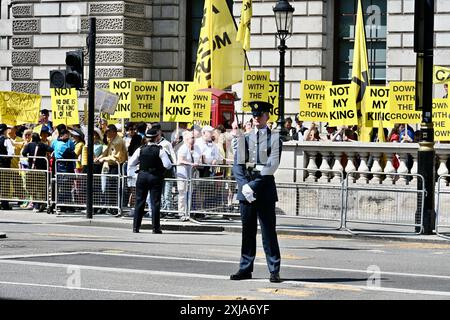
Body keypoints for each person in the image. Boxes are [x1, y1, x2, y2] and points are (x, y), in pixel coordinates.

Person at [230, 101, 282, 283]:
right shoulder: (244, 138)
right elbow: (237, 164)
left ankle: (274, 269)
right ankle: (245, 268)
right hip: (246, 190)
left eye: (260, 115)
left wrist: (252, 186)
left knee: (268, 232)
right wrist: (244, 185)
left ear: (268, 116)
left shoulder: (275, 139)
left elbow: (271, 166)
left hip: (264, 189)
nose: (256, 118)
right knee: (247, 232)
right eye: (254, 115)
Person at [129, 127, 172, 234]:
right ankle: (155, 228)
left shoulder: (140, 149)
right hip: (155, 176)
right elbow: (168, 165)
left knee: (139, 202)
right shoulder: (160, 150)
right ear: (156, 137)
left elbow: (131, 163)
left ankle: (136, 227)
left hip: (142, 176)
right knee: (155, 203)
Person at [95, 124, 128, 216]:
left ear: (113, 132)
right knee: (111, 187)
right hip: (111, 166)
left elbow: (115, 157)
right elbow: (107, 151)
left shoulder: (118, 141)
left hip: (116, 166)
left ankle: (115, 207)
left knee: (115, 187)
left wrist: (103, 159)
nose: (106, 133)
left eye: (108, 131)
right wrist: (100, 157)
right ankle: (111, 206)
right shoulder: (112, 140)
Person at [21, 133, 53, 212]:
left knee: (31, 187)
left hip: (32, 169)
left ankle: (36, 204)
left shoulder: (29, 145)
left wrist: (29, 156)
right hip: (42, 169)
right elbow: (51, 149)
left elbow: (23, 153)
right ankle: (42, 203)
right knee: (41, 187)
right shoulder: (43, 145)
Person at [176, 130, 201, 220]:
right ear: (186, 139)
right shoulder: (182, 148)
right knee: (182, 193)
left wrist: (197, 163)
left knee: (191, 193)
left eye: (194, 138)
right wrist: (191, 164)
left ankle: (189, 211)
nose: (194, 139)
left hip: (192, 174)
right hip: (183, 174)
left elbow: (199, 158)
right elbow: (180, 160)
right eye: (192, 138)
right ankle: (181, 213)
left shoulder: (197, 147)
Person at [0, 124, 14, 210]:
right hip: (4, 165)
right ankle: (4, 204)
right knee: (5, 184)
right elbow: (11, 152)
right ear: (5, 131)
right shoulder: (6, 140)